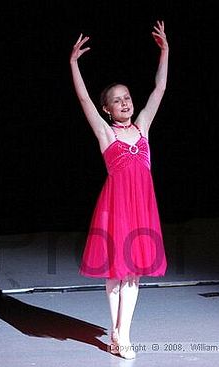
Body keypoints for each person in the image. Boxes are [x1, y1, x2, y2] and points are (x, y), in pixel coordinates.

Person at [69, 20, 169, 359]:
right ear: (106, 109)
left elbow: (158, 91)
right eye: (117, 100)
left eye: (127, 98)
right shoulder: (106, 135)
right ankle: (115, 330)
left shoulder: (142, 128)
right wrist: (73, 64)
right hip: (116, 209)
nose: (125, 103)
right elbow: (82, 97)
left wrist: (165, 53)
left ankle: (123, 333)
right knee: (116, 273)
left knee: (135, 275)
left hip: (142, 209)